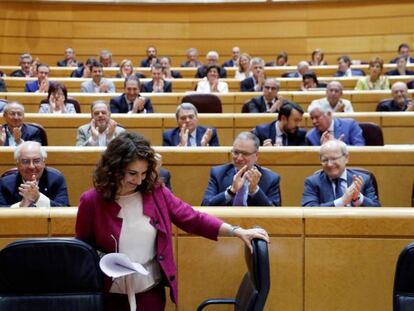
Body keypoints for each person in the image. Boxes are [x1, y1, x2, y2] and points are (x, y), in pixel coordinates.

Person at [75, 131, 269, 311]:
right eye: (132, 173)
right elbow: (83, 250)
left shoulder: (155, 192)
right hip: (109, 296)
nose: (139, 181)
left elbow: (193, 218)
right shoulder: (92, 201)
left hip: (150, 292)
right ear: (114, 168)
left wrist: (236, 231)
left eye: (144, 173)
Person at [201, 132, 281, 206]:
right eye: (236, 152)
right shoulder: (218, 173)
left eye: (245, 154)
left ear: (256, 156)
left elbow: (276, 213)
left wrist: (255, 191)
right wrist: (231, 191)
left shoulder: (271, 179)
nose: (239, 158)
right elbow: (205, 205)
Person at [301, 140, 380, 207]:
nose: (329, 164)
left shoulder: (364, 179)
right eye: (325, 160)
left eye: (334, 159)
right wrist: (341, 201)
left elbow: (377, 211)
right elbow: (309, 210)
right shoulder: (312, 182)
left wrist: (358, 198)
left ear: (346, 158)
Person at [0, 141, 70, 207]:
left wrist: (38, 198)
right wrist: (22, 205)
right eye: (25, 161)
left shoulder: (56, 179)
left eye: (36, 161)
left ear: (43, 163)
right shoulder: (5, 183)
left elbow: (64, 209)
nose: (31, 166)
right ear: (17, 164)